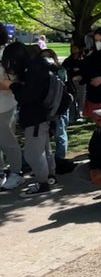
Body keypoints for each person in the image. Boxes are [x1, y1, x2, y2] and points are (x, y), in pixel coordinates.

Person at [0, 42, 55, 196]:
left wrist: (11, 85)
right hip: (42, 115)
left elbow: (26, 95)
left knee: (32, 153)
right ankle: (50, 177)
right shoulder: (37, 66)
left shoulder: (34, 70)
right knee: (43, 148)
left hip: (36, 116)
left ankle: (43, 183)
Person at [0, 31, 24, 191]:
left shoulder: (7, 54)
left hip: (5, 105)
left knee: (8, 141)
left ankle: (16, 172)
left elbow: (13, 82)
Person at [61, 42, 87, 121]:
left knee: (81, 97)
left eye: (75, 48)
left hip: (81, 82)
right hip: (71, 81)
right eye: (72, 48)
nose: (73, 50)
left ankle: (80, 113)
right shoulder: (68, 60)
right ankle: (73, 115)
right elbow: (64, 69)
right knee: (73, 98)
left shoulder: (83, 60)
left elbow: (87, 70)